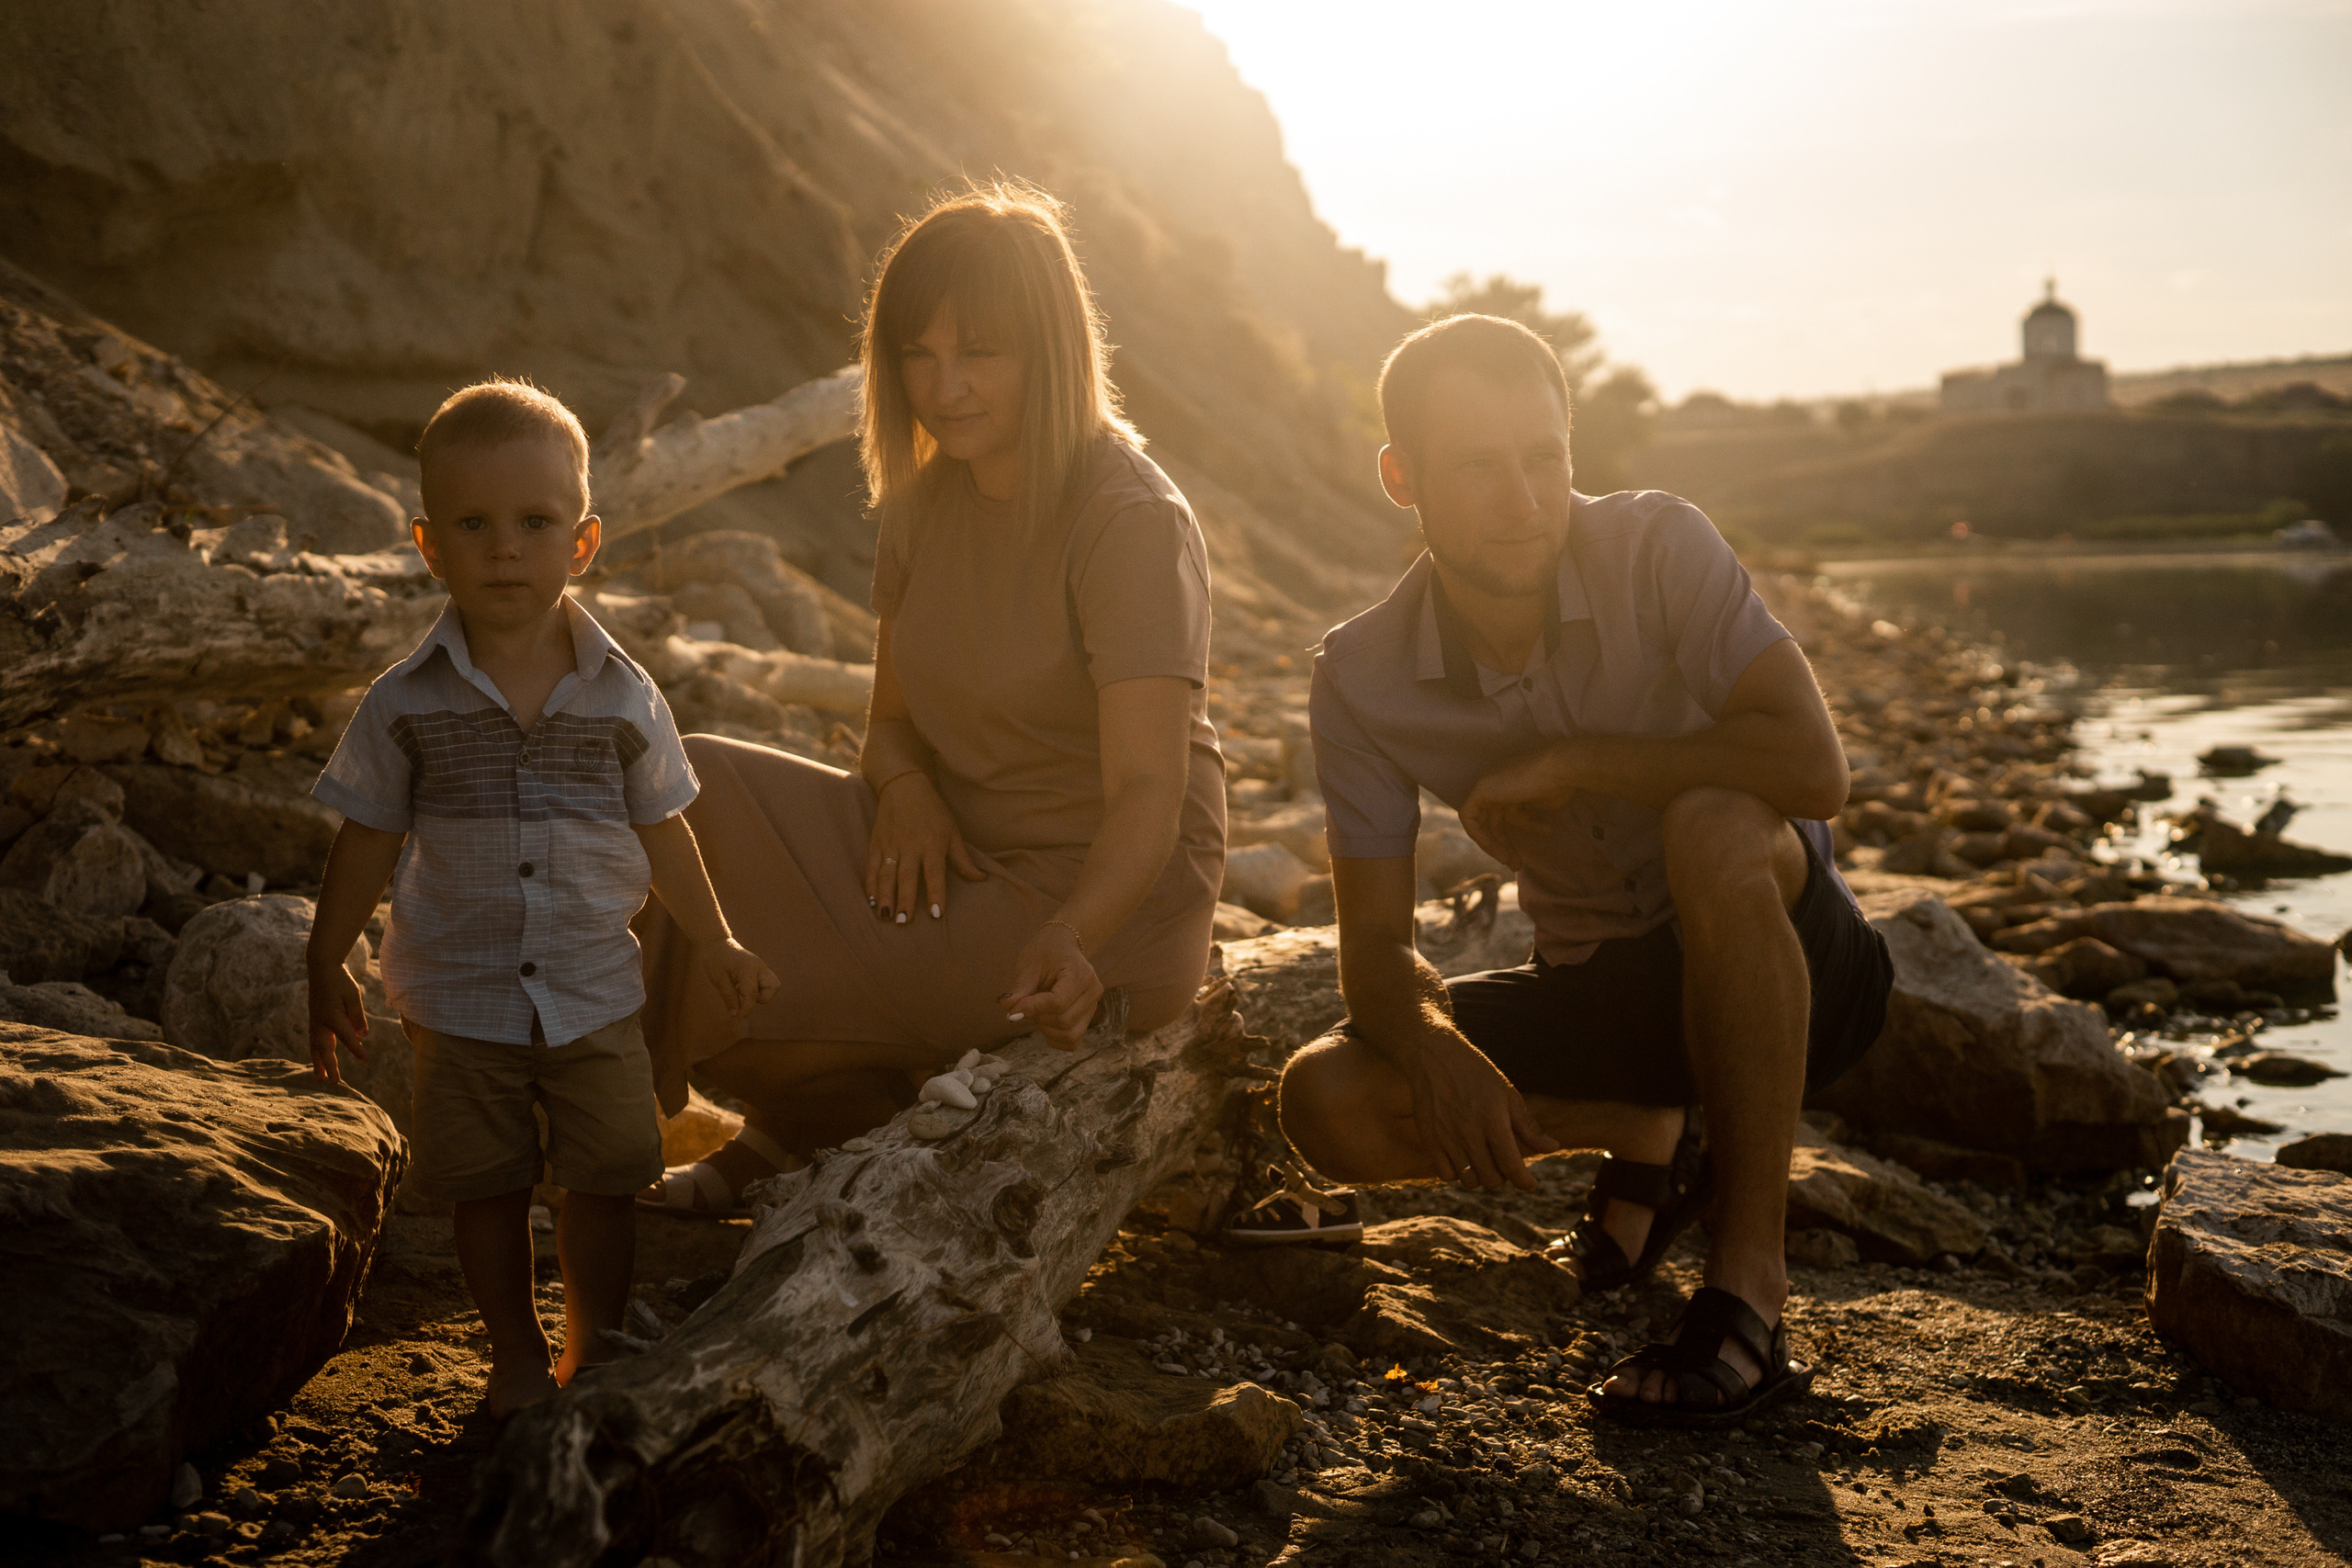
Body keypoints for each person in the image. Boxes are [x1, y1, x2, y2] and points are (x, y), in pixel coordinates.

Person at [1272, 314, 1893, 1427]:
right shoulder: (1360, 677)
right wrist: (1433, 1046)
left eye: (1543, 458)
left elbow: (1814, 770)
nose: (1523, 500)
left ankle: (1747, 1291)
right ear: (1402, 479)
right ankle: (1644, 1124)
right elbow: (1372, 946)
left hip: (1799, 968)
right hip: (1606, 987)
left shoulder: (1659, 547)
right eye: (1477, 466)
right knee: (1327, 1097)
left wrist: (1576, 761)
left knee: (1712, 824)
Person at [635, 181, 1226, 1212]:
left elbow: (1148, 791)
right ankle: (796, 1115)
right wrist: (904, 788)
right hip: (947, 851)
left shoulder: (1129, 517)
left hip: (1098, 899)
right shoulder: (924, 499)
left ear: (1050, 349)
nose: (944, 387)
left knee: (763, 976)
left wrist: (1075, 934)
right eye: (919, 353)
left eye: (980, 352)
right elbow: (891, 726)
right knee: (680, 789)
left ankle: (798, 1120)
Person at [303, 378, 779, 1416]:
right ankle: (514, 1351)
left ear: (584, 540)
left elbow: (665, 828)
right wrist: (324, 955)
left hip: (593, 992)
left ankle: (592, 1345)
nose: (505, 550)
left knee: (606, 1179)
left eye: (534, 522)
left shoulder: (624, 694)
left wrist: (719, 940)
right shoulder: (404, 702)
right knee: (486, 1186)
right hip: (458, 996)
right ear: (430, 546)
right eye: (473, 525)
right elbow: (367, 836)